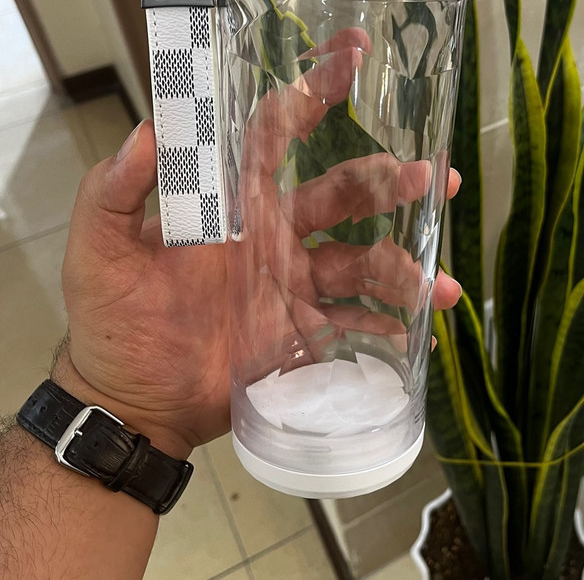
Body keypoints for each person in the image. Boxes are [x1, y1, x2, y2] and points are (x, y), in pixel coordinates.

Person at [0, 116, 463, 579]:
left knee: (416, 222)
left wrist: (119, 405)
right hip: (270, 402)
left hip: (380, 418)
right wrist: (125, 402)